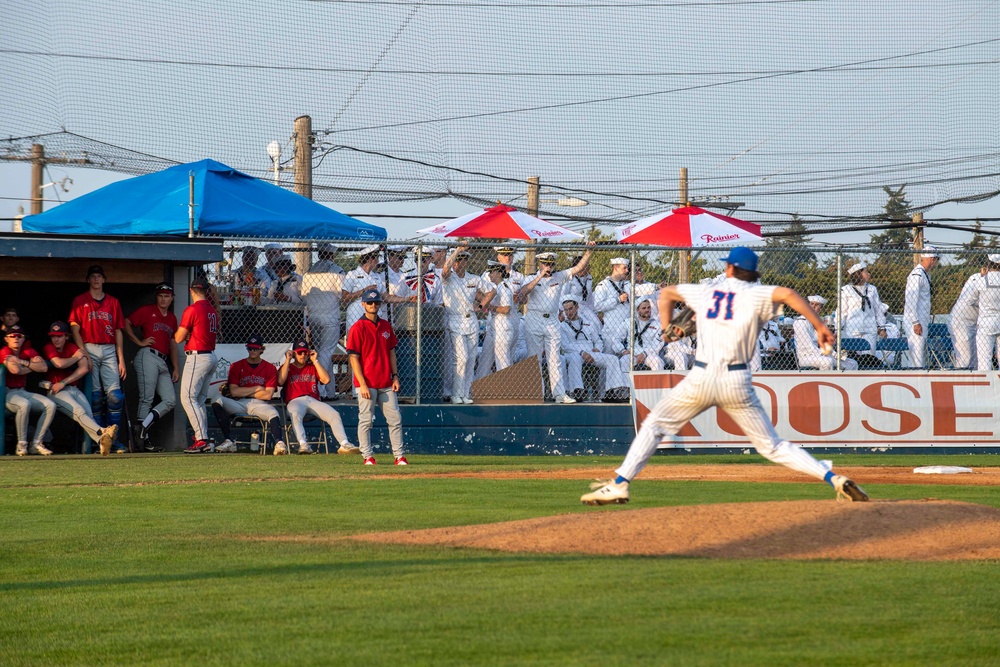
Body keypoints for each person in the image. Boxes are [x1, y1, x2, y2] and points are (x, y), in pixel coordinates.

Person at [581, 247, 869, 506]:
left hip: (703, 377)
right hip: (738, 382)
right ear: (752, 272)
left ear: (729, 268)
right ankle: (832, 477)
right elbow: (789, 295)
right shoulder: (757, 294)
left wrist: (668, 327)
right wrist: (819, 325)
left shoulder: (707, 292)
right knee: (773, 446)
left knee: (655, 425)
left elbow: (666, 294)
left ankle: (619, 484)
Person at [520, 244, 595, 404]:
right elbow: (523, 292)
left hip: (552, 319)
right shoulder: (531, 278)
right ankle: (536, 393)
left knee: (555, 358)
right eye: (546, 264)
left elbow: (577, 268)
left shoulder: (559, 276)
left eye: (552, 264)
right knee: (535, 358)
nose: (549, 267)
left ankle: (559, 394)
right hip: (534, 318)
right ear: (540, 264)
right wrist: (540, 276)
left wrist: (588, 252)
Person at [68, 265, 127, 446]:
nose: (96, 279)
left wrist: (121, 358)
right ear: (88, 280)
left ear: (104, 280)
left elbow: (118, 331)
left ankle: (113, 440)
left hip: (109, 348)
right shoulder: (80, 300)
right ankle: (98, 439)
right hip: (89, 346)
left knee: (115, 397)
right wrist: (83, 352)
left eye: (99, 276)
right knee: (94, 398)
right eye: (93, 276)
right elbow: (74, 329)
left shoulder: (113, 302)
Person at [346, 289, 406, 465]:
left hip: (386, 381)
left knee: (395, 419)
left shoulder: (386, 326)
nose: (373, 305)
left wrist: (395, 376)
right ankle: (367, 456)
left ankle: (399, 456)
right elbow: (353, 358)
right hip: (367, 383)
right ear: (363, 304)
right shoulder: (357, 328)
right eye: (370, 302)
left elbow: (391, 352)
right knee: (366, 420)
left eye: (376, 302)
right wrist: (362, 384)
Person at [41, 321, 119, 455]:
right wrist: (75, 358)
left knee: (88, 414)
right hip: (54, 389)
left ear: (66, 336)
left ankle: (102, 442)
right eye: (53, 336)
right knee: (79, 411)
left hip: (69, 387)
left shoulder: (71, 347)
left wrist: (64, 382)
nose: (56, 339)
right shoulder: (49, 347)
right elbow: (58, 364)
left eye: (59, 336)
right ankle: (104, 432)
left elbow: (84, 368)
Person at [278, 338, 359, 455]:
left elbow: (326, 380)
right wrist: (287, 360)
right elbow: (280, 381)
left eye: (305, 352)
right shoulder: (288, 367)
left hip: (312, 400)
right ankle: (303, 444)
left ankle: (344, 444)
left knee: (334, 414)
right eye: (299, 353)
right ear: (294, 353)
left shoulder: (312, 367)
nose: (302, 355)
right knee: (295, 414)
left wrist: (315, 361)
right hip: (295, 400)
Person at [125, 283, 179, 451]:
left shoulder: (171, 317)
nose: (163, 299)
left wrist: (176, 367)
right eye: (161, 295)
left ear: (172, 298)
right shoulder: (147, 310)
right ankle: (143, 441)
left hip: (163, 360)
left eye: (167, 296)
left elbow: (172, 344)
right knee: (146, 398)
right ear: (157, 297)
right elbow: (126, 323)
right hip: (148, 355)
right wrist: (140, 341)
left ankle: (142, 429)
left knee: (170, 400)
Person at [211, 334, 286, 454]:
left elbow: (267, 395)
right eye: (250, 348)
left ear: (261, 349)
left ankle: (279, 443)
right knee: (216, 400)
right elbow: (234, 392)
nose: (252, 351)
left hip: (259, 404)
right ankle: (229, 440)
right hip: (239, 403)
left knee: (273, 412)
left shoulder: (270, 368)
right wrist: (257, 388)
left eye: (255, 348)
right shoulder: (237, 366)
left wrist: (245, 391)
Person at [440, 244, 495, 403]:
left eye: (463, 260)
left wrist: (482, 304)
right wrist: (457, 250)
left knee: (471, 359)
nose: (460, 263)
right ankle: (456, 394)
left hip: (471, 319)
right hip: (455, 319)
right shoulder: (448, 278)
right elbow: (445, 270)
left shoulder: (473, 278)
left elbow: (492, 290)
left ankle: (465, 394)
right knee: (461, 358)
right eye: (458, 260)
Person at [174, 276, 219, 454]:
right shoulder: (212, 309)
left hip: (198, 357)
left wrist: (186, 334)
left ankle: (202, 439)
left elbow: (178, 337)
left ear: (191, 290)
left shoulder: (193, 309)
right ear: (206, 291)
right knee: (199, 400)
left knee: (187, 398)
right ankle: (203, 438)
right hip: (210, 356)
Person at [560, 297, 630, 403]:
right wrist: (582, 352)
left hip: (591, 352)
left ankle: (612, 390)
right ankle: (577, 390)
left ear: (577, 307)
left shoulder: (588, 323)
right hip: (573, 353)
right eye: (566, 310)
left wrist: (598, 348)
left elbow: (598, 340)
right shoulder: (562, 326)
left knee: (612, 359)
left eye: (571, 308)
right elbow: (565, 346)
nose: (568, 312)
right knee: (575, 359)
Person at [301, 243, 346, 399]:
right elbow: (343, 296)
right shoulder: (337, 271)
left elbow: (304, 296)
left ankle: (329, 391)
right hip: (330, 317)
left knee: (321, 352)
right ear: (332, 255)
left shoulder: (308, 273)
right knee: (326, 353)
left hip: (313, 316)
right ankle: (319, 388)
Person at [2, 325, 55, 456]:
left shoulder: (27, 351)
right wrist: (32, 366)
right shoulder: (4, 350)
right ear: (6, 339)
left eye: (19, 336)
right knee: (24, 405)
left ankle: (36, 443)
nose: (16, 338)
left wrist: (23, 362)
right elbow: (15, 370)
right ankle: (22, 444)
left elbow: (43, 367)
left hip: (22, 391)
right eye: (12, 336)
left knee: (50, 405)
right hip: (6, 392)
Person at [837, 262, 887, 364]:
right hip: (853, 329)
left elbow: (878, 309)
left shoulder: (872, 289)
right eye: (866, 272)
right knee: (853, 357)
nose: (869, 274)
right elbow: (842, 311)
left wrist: (881, 327)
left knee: (869, 358)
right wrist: (837, 327)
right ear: (858, 274)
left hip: (870, 328)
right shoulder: (846, 290)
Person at [475, 261, 517, 379]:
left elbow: (506, 309)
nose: (489, 275)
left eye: (492, 272)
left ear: (499, 273)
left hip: (503, 326)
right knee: (484, 359)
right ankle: (476, 389)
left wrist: (490, 307)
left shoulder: (504, 288)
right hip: (494, 326)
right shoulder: (496, 288)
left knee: (502, 361)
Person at [793, 296, 858, 370]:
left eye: (817, 305)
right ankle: (825, 381)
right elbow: (809, 346)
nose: (813, 307)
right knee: (827, 361)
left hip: (824, 354)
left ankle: (843, 381)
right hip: (807, 356)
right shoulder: (801, 322)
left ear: (821, 309)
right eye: (812, 304)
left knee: (852, 363)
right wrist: (829, 354)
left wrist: (836, 355)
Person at [902, 246, 939, 368]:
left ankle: (918, 377)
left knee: (919, 354)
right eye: (936, 259)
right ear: (931, 259)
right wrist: (915, 322)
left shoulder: (925, 274)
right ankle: (916, 380)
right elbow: (911, 300)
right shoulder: (916, 275)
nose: (936, 263)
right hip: (915, 321)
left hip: (921, 319)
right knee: (916, 356)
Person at [607, 297, 665, 372]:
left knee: (657, 361)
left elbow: (657, 344)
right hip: (631, 354)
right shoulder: (629, 322)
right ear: (637, 310)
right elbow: (616, 339)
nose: (647, 310)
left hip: (648, 354)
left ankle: (658, 383)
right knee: (624, 361)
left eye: (649, 308)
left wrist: (644, 354)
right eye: (644, 308)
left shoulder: (657, 324)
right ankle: (626, 384)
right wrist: (623, 350)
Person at [342, 245, 388, 330]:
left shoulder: (376, 276)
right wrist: (364, 291)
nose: (378, 262)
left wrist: (407, 299)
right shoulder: (353, 274)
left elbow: (387, 297)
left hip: (374, 317)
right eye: (377, 258)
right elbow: (344, 297)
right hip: (356, 316)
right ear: (371, 259)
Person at [949, 267, 985, 370]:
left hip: (974, 324)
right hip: (961, 322)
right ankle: (959, 383)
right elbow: (970, 300)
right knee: (965, 359)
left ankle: (974, 385)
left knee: (976, 361)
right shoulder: (976, 278)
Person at [972, 254, 1000, 371]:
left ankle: (985, 386)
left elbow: (970, 300)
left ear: (989, 264)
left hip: (986, 322)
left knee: (984, 358)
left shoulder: (982, 281)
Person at [593, 257, 632, 334]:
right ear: (616, 268)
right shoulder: (603, 285)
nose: (627, 271)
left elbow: (639, 289)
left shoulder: (627, 284)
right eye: (624, 268)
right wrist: (617, 300)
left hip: (627, 329)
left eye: (627, 268)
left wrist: (656, 286)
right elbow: (597, 306)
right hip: (611, 330)